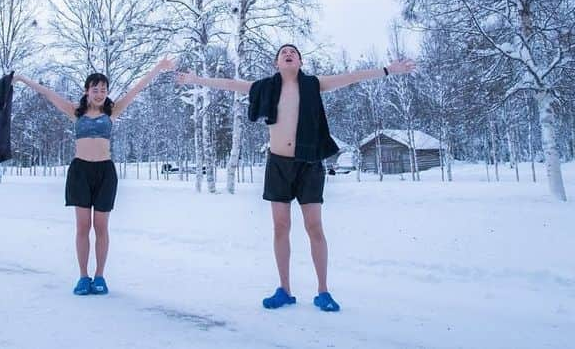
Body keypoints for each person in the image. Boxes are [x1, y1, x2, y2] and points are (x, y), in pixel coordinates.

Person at [176, 44, 415, 312]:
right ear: (277, 63)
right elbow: (232, 84)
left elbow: (351, 76)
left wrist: (387, 70)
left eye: (293, 52)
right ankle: (285, 290)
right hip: (278, 164)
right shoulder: (265, 87)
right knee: (281, 227)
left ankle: (323, 291)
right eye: (283, 53)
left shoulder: (314, 84)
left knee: (314, 227)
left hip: (309, 163)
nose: (288, 54)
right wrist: (197, 80)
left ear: (300, 61)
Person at [14, 57, 176, 295]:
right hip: (80, 172)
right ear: (87, 91)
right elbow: (48, 93)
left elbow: (137, 88)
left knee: (101, 227)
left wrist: (158, 69)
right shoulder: (75, 112)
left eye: (104, 89)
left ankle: (99, 276)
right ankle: (83, 277)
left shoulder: (113, 111)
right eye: (95, 89)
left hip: (105, 173)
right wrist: (22, 78)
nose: (100, 93)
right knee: (82, 227)